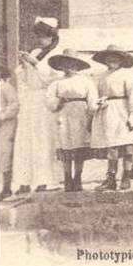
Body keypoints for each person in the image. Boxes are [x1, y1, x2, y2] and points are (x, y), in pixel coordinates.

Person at [12, 17, 63, 193]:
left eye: (44, 36)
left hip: (45, 100)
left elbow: (54, 79)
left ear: (52, 38)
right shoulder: (34, 52)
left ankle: (45, 180)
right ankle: (24, 181)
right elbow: (23, 78)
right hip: (30, 101)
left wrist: (36, 65)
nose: (41, 40)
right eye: (39, 36)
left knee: (43, 140)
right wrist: (24, 65)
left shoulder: (57, 55)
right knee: (25, 141)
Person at [91, 45, 133, 191]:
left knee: (127, 146)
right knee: (112, 147)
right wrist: (100, 101)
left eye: (115, 59)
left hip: (123, 110)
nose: (112, 61)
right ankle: (111, 179)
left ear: (121, 60)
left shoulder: (127, 75)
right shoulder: (102, 76)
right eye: (109, 59)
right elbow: (98, 93)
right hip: (108, 112)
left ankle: (126, 176)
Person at [45, 50, 98, 192]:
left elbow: (92, 101)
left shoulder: (86, 82)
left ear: (77, 66)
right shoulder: (56, 83)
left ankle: (78, 177)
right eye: (65, 64)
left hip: (80, 115)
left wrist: (92, 113)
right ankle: (67, 178)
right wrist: (58, 101)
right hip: (63, 114)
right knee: (66, 147)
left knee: (79, 147)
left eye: (72, 64)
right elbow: (49, 101)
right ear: (61, 66)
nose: (69, 67)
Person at [0, 64, 20, 201]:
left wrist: (1, 117)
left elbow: (15, 105)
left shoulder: (6, 87)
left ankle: (6, 188)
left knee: (5, 154)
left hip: (5, 125)